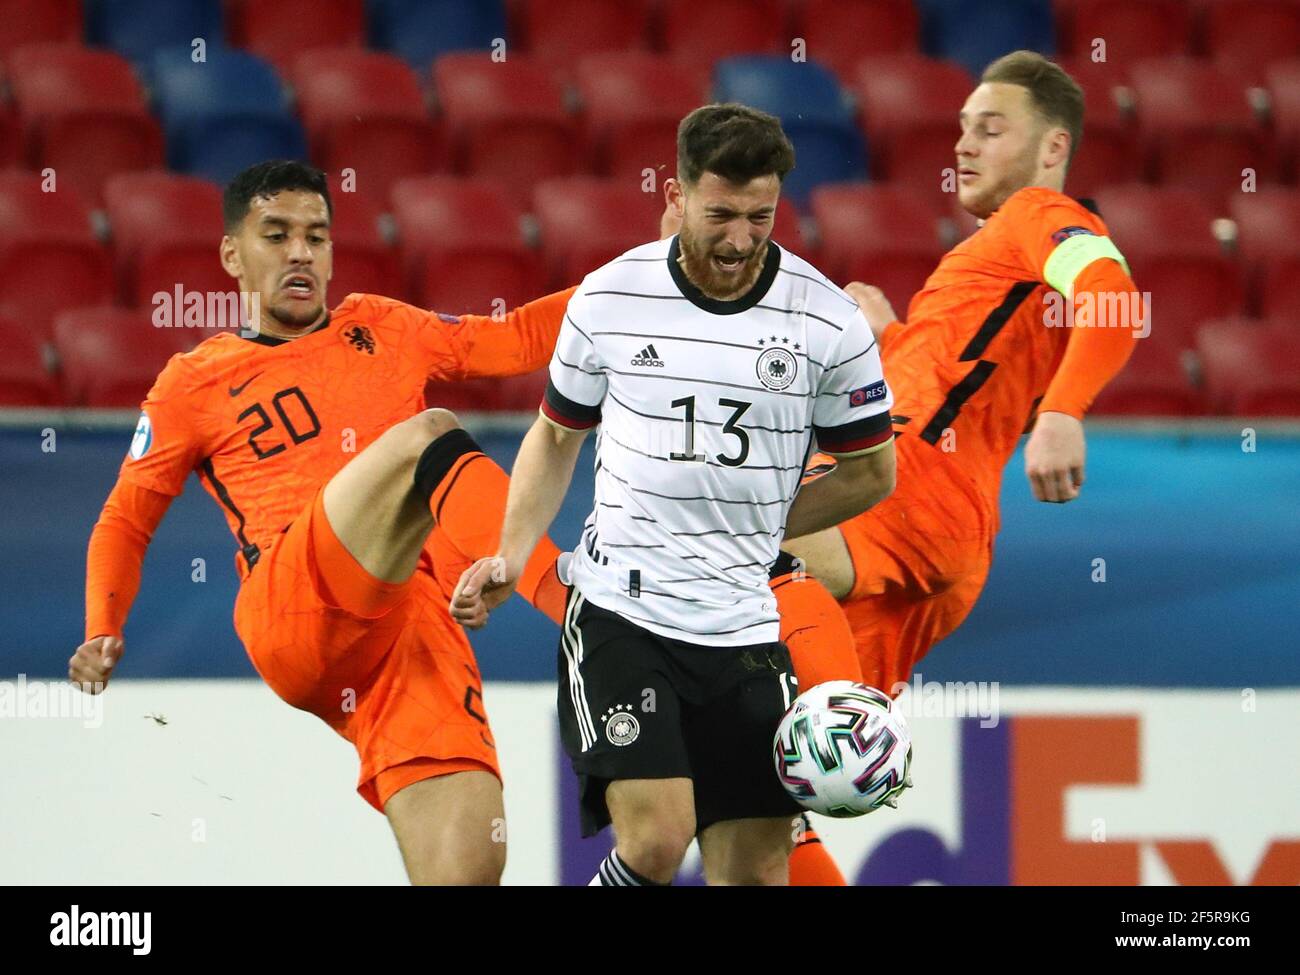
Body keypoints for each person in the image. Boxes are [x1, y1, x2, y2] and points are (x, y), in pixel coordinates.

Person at [69, 160, 572, 885]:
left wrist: (654, 281)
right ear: (232, 254)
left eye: (317, 236)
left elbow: (517, 338)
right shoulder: (193, 382)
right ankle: (571, 602)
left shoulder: (383, 325)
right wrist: (101, 622)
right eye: (276, 235)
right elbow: (126, 516)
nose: (301, 252)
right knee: (429, 434)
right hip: (294, 603)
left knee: (471, 865)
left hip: (406, 621)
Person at [450, 104, 897, 886]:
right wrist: (509, 552)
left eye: (759, 217)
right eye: (720, 214)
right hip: (624, 613)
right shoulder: (609, 298)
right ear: (676, 194)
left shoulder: (829, 321)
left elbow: (871, 471)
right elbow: (556, 436)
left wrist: (757, 531)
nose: (738, 239)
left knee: (758, 870)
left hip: (746, 627)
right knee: (657, 838)